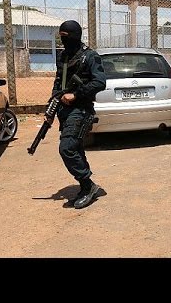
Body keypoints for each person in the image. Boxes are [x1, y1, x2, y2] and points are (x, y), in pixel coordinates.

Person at [50, 20, 106, 209]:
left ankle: (88, 185)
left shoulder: (90, 56)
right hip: (64, 111)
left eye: (65, 37)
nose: (63, 41)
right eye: (61, 37)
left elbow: (100, 83)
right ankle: (85, 186)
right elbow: (58, 82)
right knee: (75, 148)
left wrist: (75, 95)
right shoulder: (63, 57)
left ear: (74, 36)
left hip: (81, 109)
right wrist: (51, 107)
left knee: (66, 148)